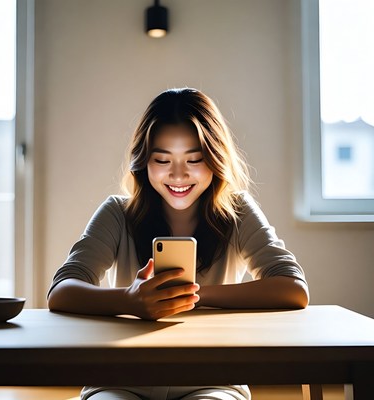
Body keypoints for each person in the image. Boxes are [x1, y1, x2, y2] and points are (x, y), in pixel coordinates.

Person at [47, 88, 309, 400]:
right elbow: (62, 291)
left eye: (194, 159)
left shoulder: (236, 211)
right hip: (120, 377)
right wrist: (129, 301)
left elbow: (293, 288)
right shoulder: (117, 212)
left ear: (215, 160)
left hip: (213, 379)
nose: (178, 174)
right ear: (143, 162)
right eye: (162, 159)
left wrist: (191, 295)